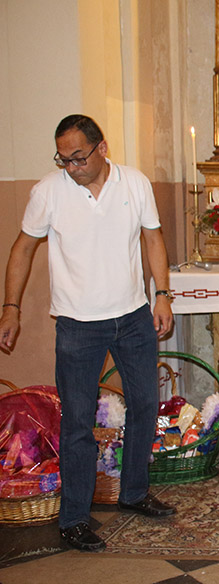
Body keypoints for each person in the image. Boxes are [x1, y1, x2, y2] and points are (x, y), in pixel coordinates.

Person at [0, 115, 176, 552]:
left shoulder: (134, 183)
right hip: (77, 324)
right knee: (77, 421)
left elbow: (153, 239)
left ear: (102, 148)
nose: (71, 166)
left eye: (79, 157)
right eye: (63, 159)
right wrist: (11, 308)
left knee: (144, 405)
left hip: (133, 317)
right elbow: (22, 248)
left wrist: (162, 295)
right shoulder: (48, 192)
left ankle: (134, 492)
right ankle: (74, 518)